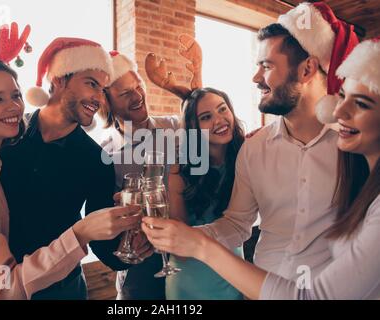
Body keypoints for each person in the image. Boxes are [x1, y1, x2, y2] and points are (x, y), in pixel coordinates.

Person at [142, 1, 359, 291]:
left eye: (266, 66)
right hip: (260, 290)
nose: (256, 78)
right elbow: (236, 224)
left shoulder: (357, 145)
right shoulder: (254, 148)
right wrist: (186, 236)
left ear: (307, 69)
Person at [0, 56, 140, 299]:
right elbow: (4, 285)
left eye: (16, 96)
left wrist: (128, 250)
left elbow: (105, 244)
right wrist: (80, 233)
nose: (13, 106)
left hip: (60, 287)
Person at [0, 38, 142, 299]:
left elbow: (100, 239)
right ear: (59, 79)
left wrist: (129, 251)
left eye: (102, 89)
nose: (99, 98)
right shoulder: (6, 137)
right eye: (91, 84)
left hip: (61, 289)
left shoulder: (96, 158)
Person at [98, 51, 180, 300]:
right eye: (125, 93)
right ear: (107, 104)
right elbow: (103, 216)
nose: (137, 96)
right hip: (140, 267)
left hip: (186, 254)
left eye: (138, 86)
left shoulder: (176, 127)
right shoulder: (104, 153)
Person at [166, 87, 245, 300]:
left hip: (236, 272)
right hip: (191, 279)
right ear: (193, 127)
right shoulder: (179, 171)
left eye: (222, 109)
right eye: (206, 117)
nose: (219, 120)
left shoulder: (246, 156)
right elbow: (180, 248)